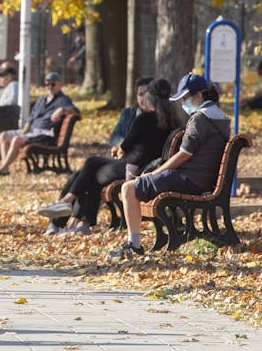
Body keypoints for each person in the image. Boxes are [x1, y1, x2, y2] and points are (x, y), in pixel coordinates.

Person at [36, 78, 182, 235]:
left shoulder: (144, 119)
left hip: (132, 167)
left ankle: (66, 205)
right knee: (88, 173)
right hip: (148, 167)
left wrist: (119, 150)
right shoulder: (174, 121)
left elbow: (125, 146)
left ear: (150, 98)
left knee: (91, 164)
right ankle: (78, 223)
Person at [110, 73, 230, 259]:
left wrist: (155, 173)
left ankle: (134, 245)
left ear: (199, 95)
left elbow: (184, 154)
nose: (183, 103)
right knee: (132, 186)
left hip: (189, 179)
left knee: (128, 188)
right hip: (200, 179)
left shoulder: (200, 119)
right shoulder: (219, 117)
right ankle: (135, 243)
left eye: (185, 98)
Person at [0, 72, 78, 177]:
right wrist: (24, 132)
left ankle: (2, 168)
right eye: (47, 84)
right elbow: (31, 118)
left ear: (60, 84)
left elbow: (76, 112)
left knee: (16, 140)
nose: (50, 87)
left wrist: (62, 110)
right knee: (4, 135)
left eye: (53, 84)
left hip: (45, 134)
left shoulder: (63, 100)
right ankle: (5, 168)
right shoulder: (42, 99)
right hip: (32, 131)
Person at [108, 77, 154, 151]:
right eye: (141, 94)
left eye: (147, 93)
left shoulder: (160, 117)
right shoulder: (127, 113)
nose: (144, 98)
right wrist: (126, 145)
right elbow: (113, 138)